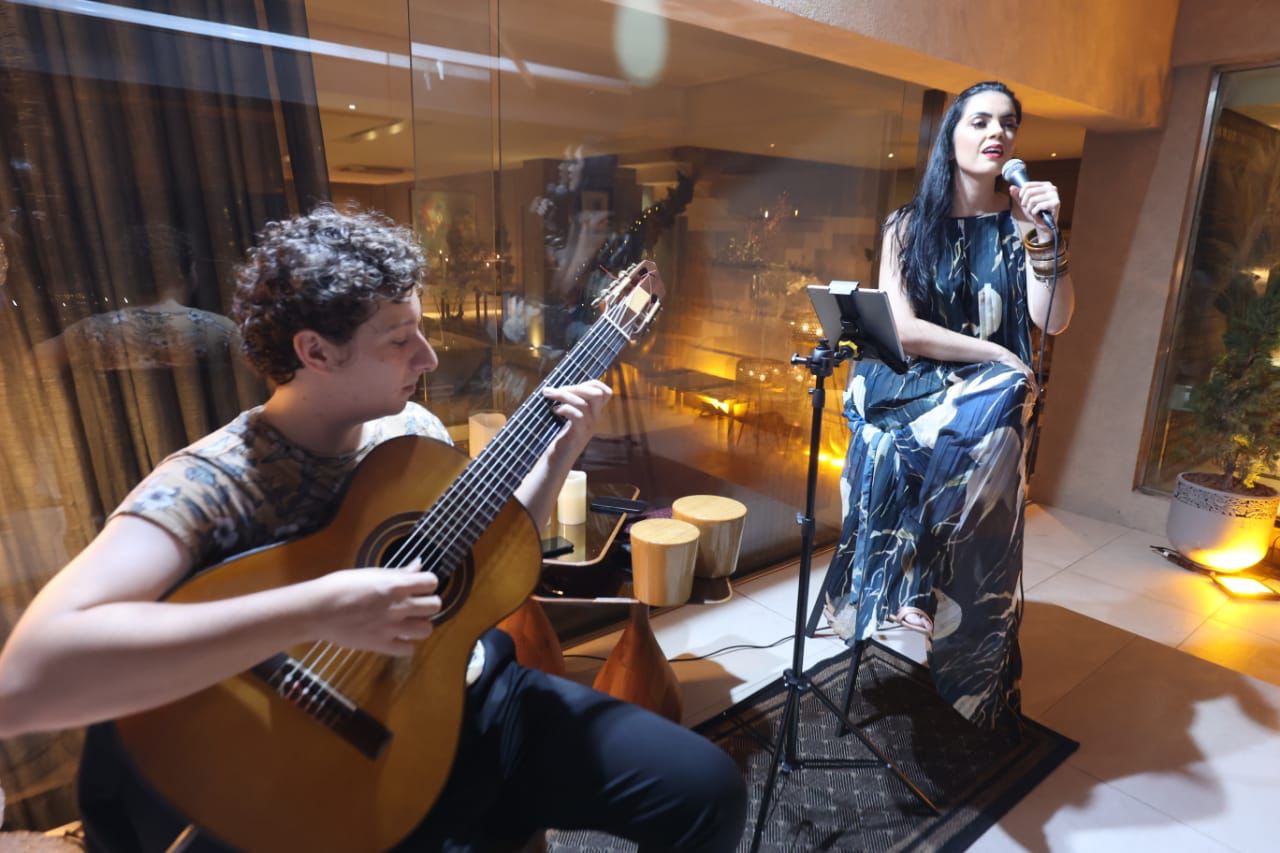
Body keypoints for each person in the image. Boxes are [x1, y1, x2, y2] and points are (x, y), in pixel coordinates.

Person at [0, 206, 747, 851]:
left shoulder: (410, 430)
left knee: (707, 789)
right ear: (316, 351)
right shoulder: (212, 482)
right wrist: (316, 609)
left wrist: (559, 455)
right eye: (399, 339)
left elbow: (485, 553)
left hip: (469, 692)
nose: (428, 356)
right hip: (335, 755)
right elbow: (26, 683)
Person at [823, 81, 1075, 732]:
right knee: (992, 394)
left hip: (986, 398)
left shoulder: (1022, 224)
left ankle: (937, 600)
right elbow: (903, 329)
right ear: (952, 135)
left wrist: (1045, 241)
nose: (998, 133)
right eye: (981, 120)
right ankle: (915, 583)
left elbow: (1054, 321)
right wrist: (993, 353)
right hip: (912, 381)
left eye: (1009, 123)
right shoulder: (907, 225)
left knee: (1004, 406)